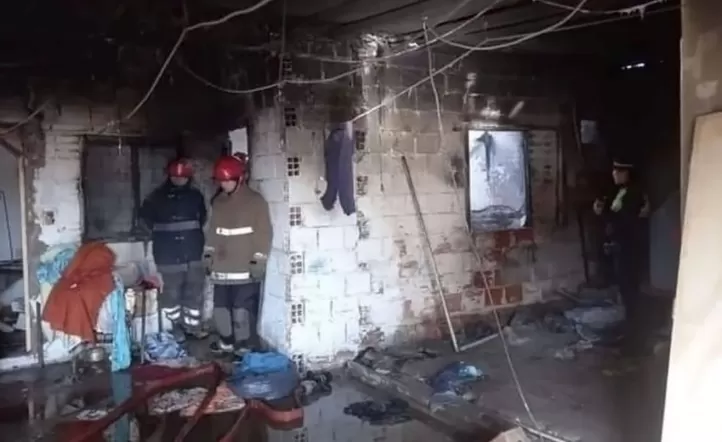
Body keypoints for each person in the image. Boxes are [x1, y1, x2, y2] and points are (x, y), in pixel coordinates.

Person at [206, 154, 272, 355]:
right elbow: (212, 232)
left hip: (244, 267)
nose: (224, 185)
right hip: (221, 267)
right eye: (221, 181)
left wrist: (259, 261)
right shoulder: (218, 202)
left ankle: (243, 347)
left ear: (239, 179)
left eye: (228, 181)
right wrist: (208, 256)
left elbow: (264, 233)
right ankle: (226, 342)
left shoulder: (255, 202)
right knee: (221, 310)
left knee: (241, 311)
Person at [140, 158, 207, 341]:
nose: (179, 180)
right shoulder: (155, 198)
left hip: (193, 253)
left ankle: (193, 327)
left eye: (183, 177)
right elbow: (145, 221)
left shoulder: (196, 197)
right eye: (175, 177)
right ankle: (175, 328)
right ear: (169, 176)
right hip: (167, 255)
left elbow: (202, 219)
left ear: (189, 178)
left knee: (194, 293)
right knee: (171, 294)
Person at [593, 158, 650, 350]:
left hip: (630, 249)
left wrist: (603, 214)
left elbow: (624, 221)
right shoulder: (620, 192)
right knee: (626, 291)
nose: (614, 174)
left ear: (626, 173)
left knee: (631, 292)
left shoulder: (634, 193)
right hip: (622, 247)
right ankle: (631, 333)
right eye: (614, 170)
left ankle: (636, 338)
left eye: (618, 171)